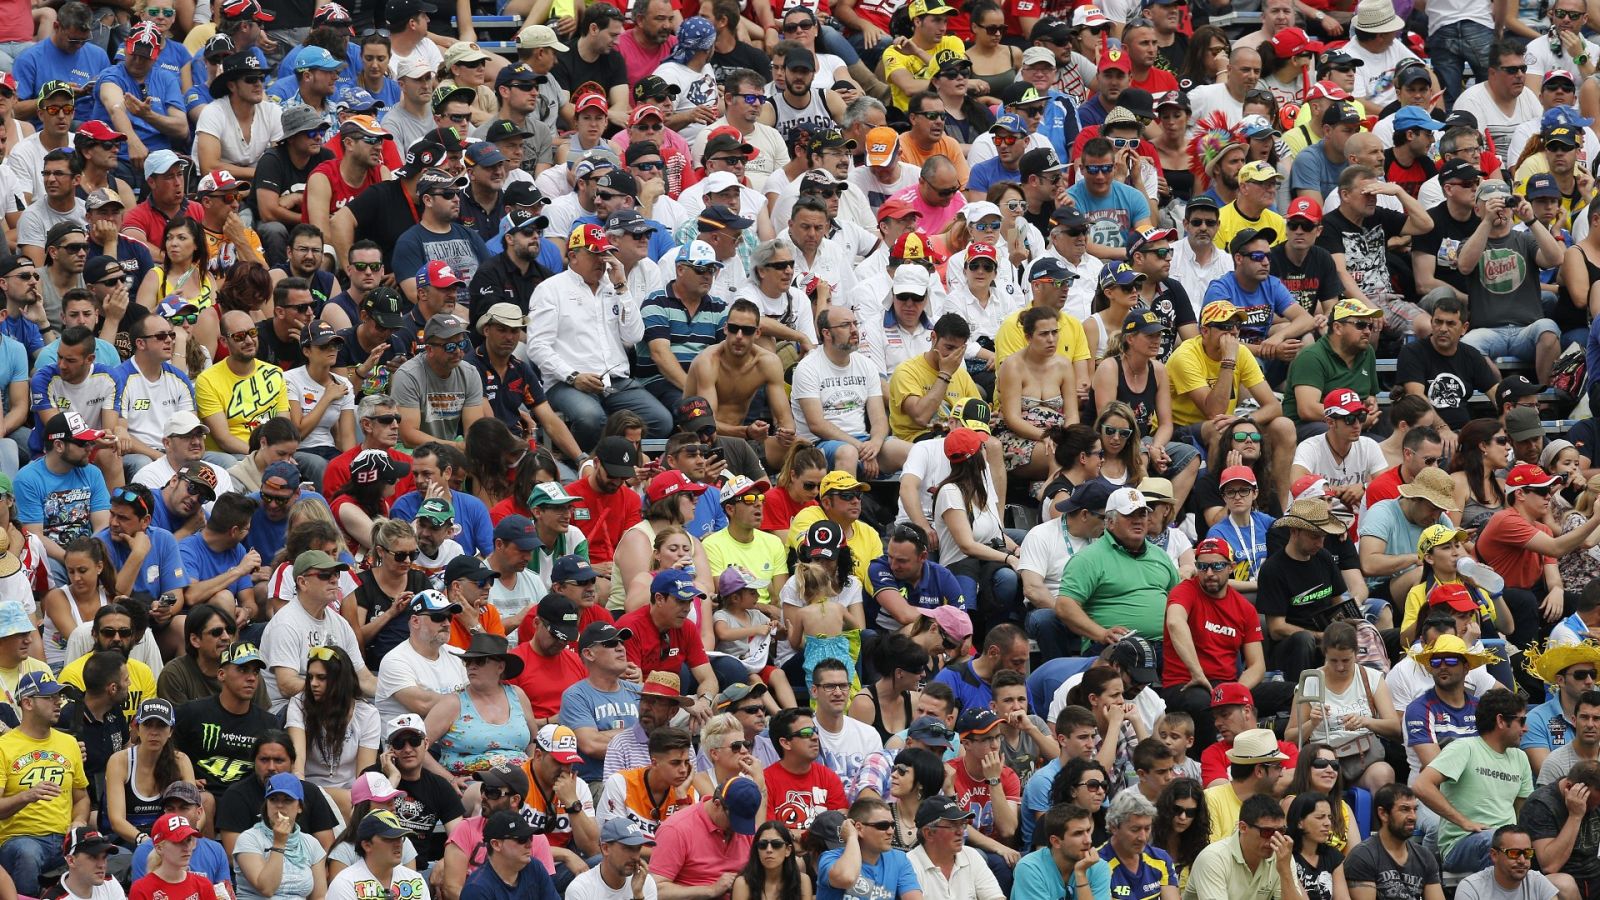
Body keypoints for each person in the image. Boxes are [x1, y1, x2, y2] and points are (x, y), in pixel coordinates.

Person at [1412, 688, 1534, 872]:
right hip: (1462, 844)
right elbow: (1421, 785)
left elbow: (1521, 812)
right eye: (1521, 721)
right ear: (1501, 720)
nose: (1526, 728)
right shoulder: (1464, 748)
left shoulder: (1521, 758)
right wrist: (1464, 822)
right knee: (1496, 841)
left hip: (1507, 846)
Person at [1056, 486, 1180, 653]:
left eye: (1142, 514)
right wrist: (1101, 633)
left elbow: (1179, 600)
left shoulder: (1160, 556)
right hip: (1115, 648)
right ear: (1110, 522)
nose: (1138, 520)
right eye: (1129, 515)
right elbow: (1065, 605)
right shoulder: (1089, 558)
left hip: (1166, 645)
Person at [0, 671, 88, 897]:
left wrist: (79, 820)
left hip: (65, 839)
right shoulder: (4, 747)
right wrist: (27, 796)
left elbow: (82, 797)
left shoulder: (69, 744)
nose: (58, 701)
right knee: (28, 853)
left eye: (59, 696)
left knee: (107, 855)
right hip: (20, 839)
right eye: (49, 697)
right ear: (27, 703)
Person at [232, 772, 329, 900]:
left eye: (287, 800)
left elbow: (319, 897)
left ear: (299, 807)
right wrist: (279, 843)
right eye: (273, 799)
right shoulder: (249, 838)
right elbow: (267, 888)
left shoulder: (311, 844)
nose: (279, 805)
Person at [906, 794, 1003, 900]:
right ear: (929, 833)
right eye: (952, 825)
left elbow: (996, 897)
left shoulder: (972, 855)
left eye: (962, 824)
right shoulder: (909, 865)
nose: (961, 831)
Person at [324, 810, 431, 900]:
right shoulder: (345, 884)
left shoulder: (415, 880)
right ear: (367, 845)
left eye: (400, 837)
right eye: (389, 838)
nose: (398, 843)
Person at [1013, 803, 1111, 900]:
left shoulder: (1098, 867)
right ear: (1056, 842)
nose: (1088, 840)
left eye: (1088, 831)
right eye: (1078, 833)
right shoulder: (1030, 868)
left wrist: (1081, 874)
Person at [458, 810, 559, 900]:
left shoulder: (535, 867)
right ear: (496, 844)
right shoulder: (477, 889)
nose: (530, 844)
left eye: (530, 838)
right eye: (521, 839)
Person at [128, 813, 218, 900]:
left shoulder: (203, 885)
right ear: (159, 848)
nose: (186, 848)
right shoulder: (141, 890)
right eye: (178, 842)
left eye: (189, 840)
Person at [1454, 827, 1560, 900]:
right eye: (1514, 853)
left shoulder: (1537, 882)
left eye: (1527, 853)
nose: (1522, 860)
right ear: (1494, 855)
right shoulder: (1471, 888)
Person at [566, 818, 656, 900]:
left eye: (638, 849)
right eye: (628, 848)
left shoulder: (644, 882)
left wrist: (638, 896)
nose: (636, 857)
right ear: (605, 848)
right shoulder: (580, 888)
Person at [44, 826, 125, 900]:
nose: (102, 865)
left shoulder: (110, 882)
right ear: (71, 861)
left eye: (104, 857)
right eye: (93, 857)